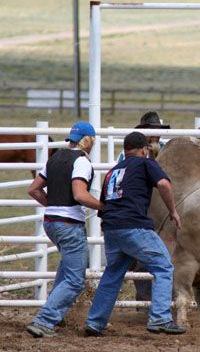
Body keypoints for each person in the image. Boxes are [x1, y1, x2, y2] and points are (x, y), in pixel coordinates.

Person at [84, 132, 185, 336]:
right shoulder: (146, 163)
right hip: (134, 225)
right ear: (144, 149)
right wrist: (173, 211)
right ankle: (160, 318)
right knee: (164, 266)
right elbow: (164, 184)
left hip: (111, 228)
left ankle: (95, 322)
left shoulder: (113, 171)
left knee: (113, 274)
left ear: (125, 149)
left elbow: (104, 204)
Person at [26, 122, 104, 338]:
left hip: (51, 222)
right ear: (89, 141)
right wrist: (103, 206)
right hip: (69, 225)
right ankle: (44, 320)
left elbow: (33, 189)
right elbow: (79, 195)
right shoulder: (82, 162)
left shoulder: (55, 158)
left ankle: (55, 315)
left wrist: (53, 204)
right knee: (75, 279)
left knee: (66, 271)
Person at [117, 111, 170, 304]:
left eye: (158, 130)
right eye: (152, 130)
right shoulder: (128, 154)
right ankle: (147, 300)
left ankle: (162, 301)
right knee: (142, 257)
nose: (156, 134)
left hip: (160, 208)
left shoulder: (167, 150)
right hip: (141, 208)